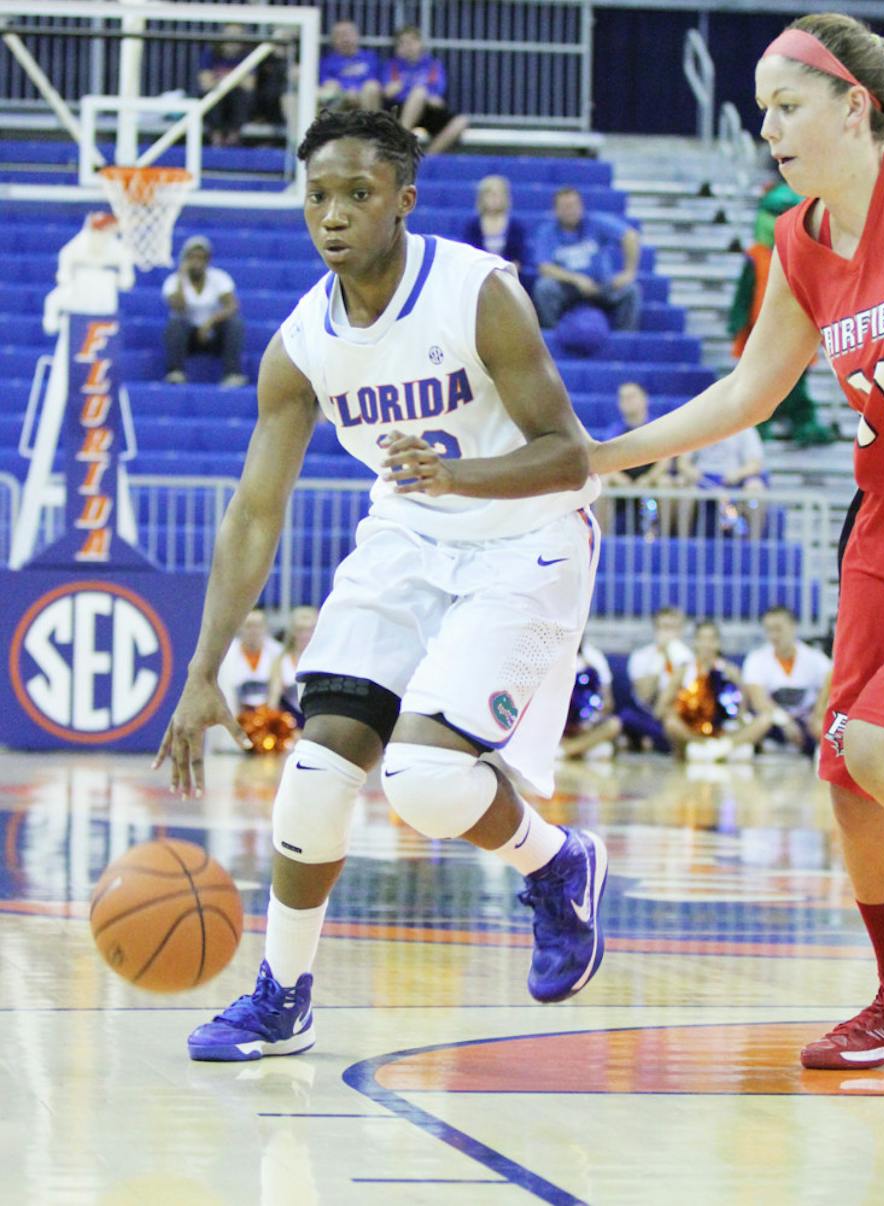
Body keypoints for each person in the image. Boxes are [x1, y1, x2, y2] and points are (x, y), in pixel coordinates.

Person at [590, 12, 884, 1071]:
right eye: (759, 109)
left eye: (785, 104)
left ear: (853, 104)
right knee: (846, 774)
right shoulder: (801, 240)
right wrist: (607, 456)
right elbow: (748, 390)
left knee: (882, 742)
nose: (766, 126)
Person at [154, 110, 608, 1061]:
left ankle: (556, 861)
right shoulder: (301, 345)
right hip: (409, 536)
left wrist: (460, 479)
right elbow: (252, 514)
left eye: (358, 194)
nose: (333, 214)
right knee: (315, 772)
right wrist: (203, 670)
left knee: (427, 781)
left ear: (404, 200)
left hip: (525, 538)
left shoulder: (478, 293)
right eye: (318, 195)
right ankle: (283, 997)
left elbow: (570, 454)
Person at [728, 178, 836, 447]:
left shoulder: (809, 259)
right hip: (762, 337)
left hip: (797, 338)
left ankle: (805, 425)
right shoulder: (755, 257)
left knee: (797, 391)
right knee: (760, 388)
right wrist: (737, 322)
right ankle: (758, 426)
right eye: (776, 214)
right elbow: (744, 294)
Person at [656, 620, 771, 761]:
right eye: (702, 639)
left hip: (724, 731)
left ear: (718, 643)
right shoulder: (684, 671)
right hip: (693, 730)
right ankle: (705, 746)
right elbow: (660, 709)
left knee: (765, 720)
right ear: (695, 642)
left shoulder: (730, 671)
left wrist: (738, 724)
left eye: (711, 639)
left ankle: (724, 747)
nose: (707, 644)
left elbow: (741, 710)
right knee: (671, 723)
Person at [532, 187, 642, 332]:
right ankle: (552, 337)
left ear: (581, 206)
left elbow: (630, 236)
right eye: (565, 207)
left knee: (631, 290)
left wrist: (629, 272)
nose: (570, 210)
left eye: (574, 206)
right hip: (567, 289)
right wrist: (576, 279)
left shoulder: (597, 222)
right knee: (544, 287)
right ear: (556, 210)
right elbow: (544, 267)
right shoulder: (547, 232)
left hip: (601, 285)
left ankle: (625, 338)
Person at [741, 606, 832, 755]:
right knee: (763, 720)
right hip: (775, 722)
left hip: (805, 722)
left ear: (792, 627)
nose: (774, 635)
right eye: (769, 630)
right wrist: (785, 721)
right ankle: (725, 748)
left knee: (823, 725)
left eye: (778, 629)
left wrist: (818, 714)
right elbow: (759, 702)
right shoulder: (756, 659)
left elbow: (830, 683)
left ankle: (833, 758)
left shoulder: (815, 659)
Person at [594, 382, 679, 536]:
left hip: (651, 479)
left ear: (644, 399)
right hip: (623, 479)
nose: (627, 401)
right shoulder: (615, 430)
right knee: (604, 482)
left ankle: (665, 538)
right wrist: (620, 479)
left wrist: (648, 478)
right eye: (623, 398)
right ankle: (602, 537)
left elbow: (666, 459)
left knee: (666, 483)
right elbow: (605, 459)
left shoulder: (657, 426)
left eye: (631, 396)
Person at [162, 235, 247, 387]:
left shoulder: (219, 278)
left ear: (208, 260)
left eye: (201, 258)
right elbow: (178, 307)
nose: (197, 262)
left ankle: (232, 374)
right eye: (192, 257)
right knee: (175, 323)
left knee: (235, 323)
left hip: (213, 334)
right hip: (188, 338)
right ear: (185, 259)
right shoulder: (173, 281)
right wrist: (182, 277)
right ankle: (176, 372)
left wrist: (209, 322)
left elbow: (232, 306)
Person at [381, 26, 468, 156]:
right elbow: (388, 92)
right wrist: (418, 92)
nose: (408, 47)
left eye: (411, 42)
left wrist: (405, 87)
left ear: (420, 43)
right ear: (397, 48)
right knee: (419, 93)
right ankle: (400, 142)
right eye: (403, 43)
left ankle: (428, 158)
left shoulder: (432, 65)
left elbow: (437, 97)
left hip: (426, 110)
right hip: (399, 109)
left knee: (462, 121)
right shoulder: (391, 65)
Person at [621, 607, 693, 752]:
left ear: (681, 630)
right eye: (664, 627)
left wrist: (676, 662)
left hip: (677, 717)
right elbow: (644, 696)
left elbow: (687, 696)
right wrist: (660, 660)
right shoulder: (641, 657)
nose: (668, 633)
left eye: (673, 628)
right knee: (624, 718)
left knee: (672, 720)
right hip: (647, 716)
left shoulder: (688, 658)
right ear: (655, 630)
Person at [211, 609, 283, 752]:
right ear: (240, 628)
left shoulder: (278, 652)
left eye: (257, 626)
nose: (253, 631)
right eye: (249, 625)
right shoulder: (226, 655)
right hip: (236, 721)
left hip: (268, 723)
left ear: (265, 628)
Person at [682, 426, 769, 540]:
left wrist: (737, 474)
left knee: (755, 488)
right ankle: (683, 543)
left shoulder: (745, 428)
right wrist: (692, 472)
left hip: (734, 481)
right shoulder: (696, 426)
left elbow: (755, 464)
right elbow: (682, 463)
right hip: (703, 481)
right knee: (683, 489)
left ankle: (754, 544)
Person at [560, 637, 622, 761]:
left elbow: (607, 703)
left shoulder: (593, 662)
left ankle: (569, 750)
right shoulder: (550, 657)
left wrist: (591, 718)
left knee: (614, 725)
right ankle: (574, 750)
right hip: (556, 729)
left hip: (584, 729)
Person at [198, 23, 255, 147]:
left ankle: (233, 138)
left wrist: (222, 78)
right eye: (230, 35)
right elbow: (205, 84)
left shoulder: (248, 56)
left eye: (238, 36)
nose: (233, 40)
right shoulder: (211, 53)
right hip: (218, 96)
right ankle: (216, 138)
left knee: (240, 96)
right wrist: (236, 78)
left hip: (237, 98)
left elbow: (250, 85)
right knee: (213, 96)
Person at [462, 175, 527, 272]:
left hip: (509, 275)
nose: (494, 198)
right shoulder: (473, 226)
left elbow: (519, 258)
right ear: (481, 198)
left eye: (498, 194)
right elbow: (468, 254)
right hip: (479, 274)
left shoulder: (515, 226)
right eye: (490, 194)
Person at [268, 605, 320, 722]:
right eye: (300, 630)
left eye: (310, 630)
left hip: (315, 718)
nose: (305, 635)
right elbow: (274, 699)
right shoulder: (281, 661)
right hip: (290, 720)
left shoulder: (323, 661)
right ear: (293, 632)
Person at [317, 20, 382, 113]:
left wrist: (355, 91)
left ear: (357, 36)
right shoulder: (327, 61)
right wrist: (347, 92)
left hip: (363, 95)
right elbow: (326, 82)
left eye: (348, 34)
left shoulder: (370, 58)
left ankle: (369, 126)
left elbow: (375, 81)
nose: (345, 39)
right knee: (329, 88)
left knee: (372, 87)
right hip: (340, 96)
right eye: (339, 35)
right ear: (333, 40)